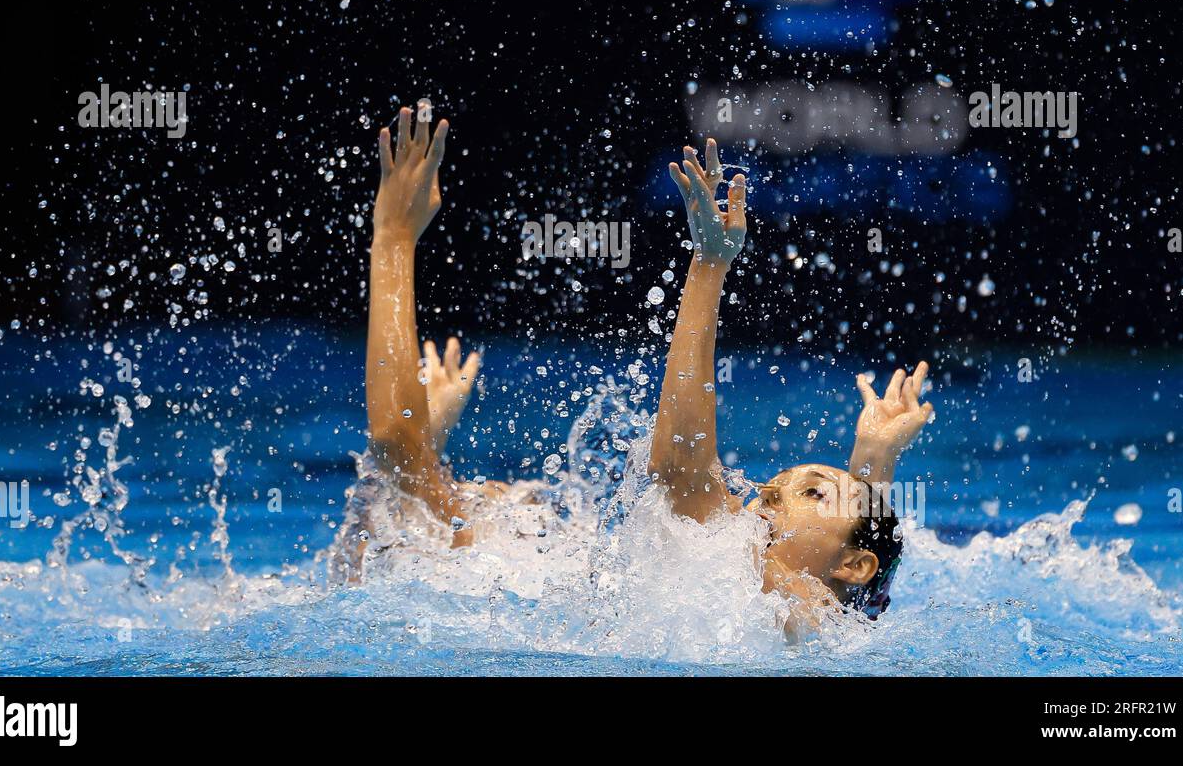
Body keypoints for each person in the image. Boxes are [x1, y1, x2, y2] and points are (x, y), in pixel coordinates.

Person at [359, 101, 934, 623]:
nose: (761, 498)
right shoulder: (728, 563)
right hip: (520, 576)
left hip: (553, 578)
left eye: (800, 495)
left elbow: (839, 594)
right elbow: (685, 467)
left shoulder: (795, 606)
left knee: (400, 468)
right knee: (407, 477)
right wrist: (708, 263)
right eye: (772, 491)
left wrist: (869, 468)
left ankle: (396, 267)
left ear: (856, 566)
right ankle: (393, 244)